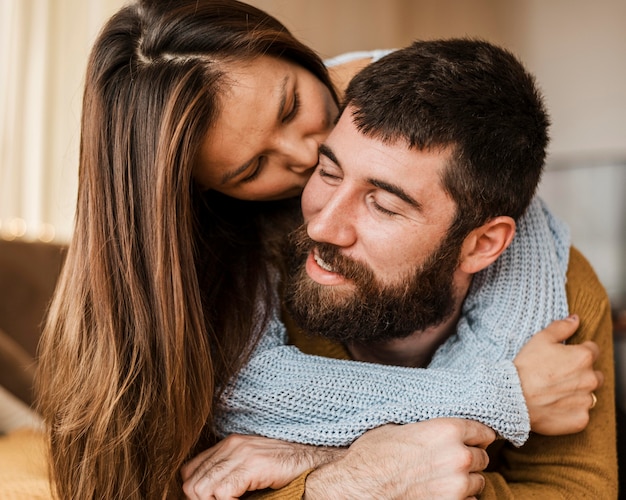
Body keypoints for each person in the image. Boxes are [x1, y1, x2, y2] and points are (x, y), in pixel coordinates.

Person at [31, 1, 602, 498]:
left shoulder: (386, 87)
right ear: (210, 191)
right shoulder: (215, 274)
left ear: (297, 56)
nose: (308, 157)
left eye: (289, 107)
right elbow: (241, 407)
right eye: (253, 167)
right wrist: (499, 399)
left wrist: (317, 456)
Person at [181, 39, 617, 499]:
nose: (323, 227)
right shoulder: (227, 273)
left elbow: (576, 490)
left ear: (483, 244)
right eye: (328, 173)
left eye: (383, 205)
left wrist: (325, 459)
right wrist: (348, 480)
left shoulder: (558, 291)